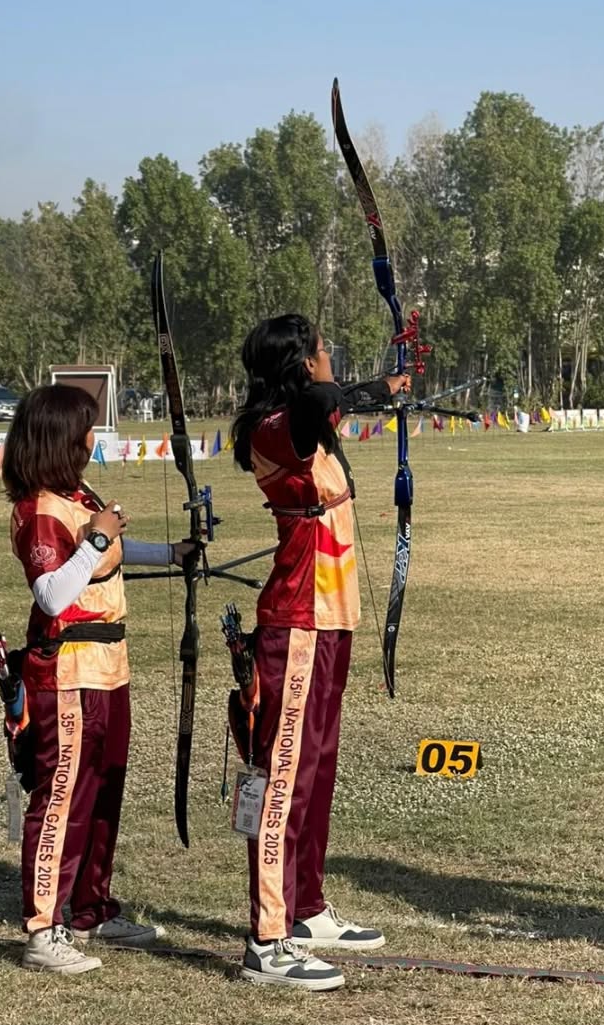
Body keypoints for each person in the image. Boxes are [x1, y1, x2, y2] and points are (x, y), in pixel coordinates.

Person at [230, 315, 409, 990]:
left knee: (317, 769)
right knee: (284, 777)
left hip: (331, 618)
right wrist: (377, 389)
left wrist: (382, 389)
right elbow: (319, 403)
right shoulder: (275, 426)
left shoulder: (304, 421)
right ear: (303, 365)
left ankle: (304, 908)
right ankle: (267, 940)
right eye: (323, 351)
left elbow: (325, 405)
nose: (330, 358)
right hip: (297, 621)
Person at [2, 384, 194, 975]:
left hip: (109, 666)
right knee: (62, 796)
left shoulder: (75, 495)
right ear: (64, 438)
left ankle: (91, 908)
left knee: (104, 789)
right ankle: (44, 929)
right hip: (68, 671)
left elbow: (105, 556)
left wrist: (171, 553)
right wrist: (100, 536)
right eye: (87, 429)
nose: (93, 438)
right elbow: (53, 592)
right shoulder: (40, 510)